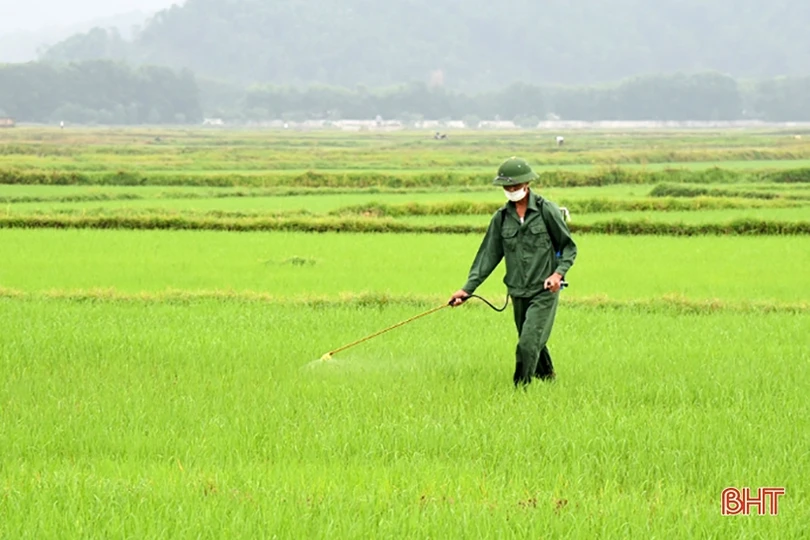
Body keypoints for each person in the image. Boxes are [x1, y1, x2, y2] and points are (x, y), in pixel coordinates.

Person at [448, 157, 577, 386]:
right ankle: (548, 379)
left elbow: (568, 247)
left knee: (527, 343)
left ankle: (520, 390)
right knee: (532, 338)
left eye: (515, 186)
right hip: (517, 291)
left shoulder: (547, 211)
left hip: (544, 290)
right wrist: (466, 290)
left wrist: (558, 274)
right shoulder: (501, 218)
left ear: (526, 184)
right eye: (507, 187)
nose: (511, 191)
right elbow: (487, 257)